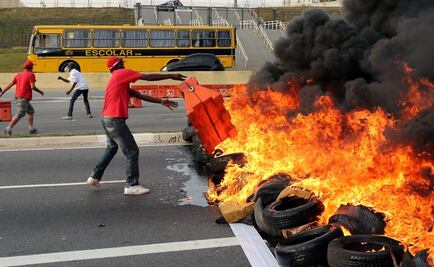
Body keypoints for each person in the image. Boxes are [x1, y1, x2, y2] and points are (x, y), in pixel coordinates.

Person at [87, 56, 186, 195]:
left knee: (111, 148)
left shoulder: (118, 79)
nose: (124, 64)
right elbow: (148, 77)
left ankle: (94, 177)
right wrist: (172, 75)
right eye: (122, 62)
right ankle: (131, 185)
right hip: (115, 120)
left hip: (106, 119)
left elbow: (137, 95)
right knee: (132, 151)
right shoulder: (122, 73)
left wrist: (160, 101)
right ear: (118, 65)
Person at [0, 60, 44, 135]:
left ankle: (31, 128)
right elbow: (32, 87)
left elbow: (11, 84)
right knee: (20, 113)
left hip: (20, 97)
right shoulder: (31, 74)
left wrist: (2, 92)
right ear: (31, 67)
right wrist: (40, 91)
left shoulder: (18, 75)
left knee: (30, 112)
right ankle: (8, 128)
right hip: (24, 97)